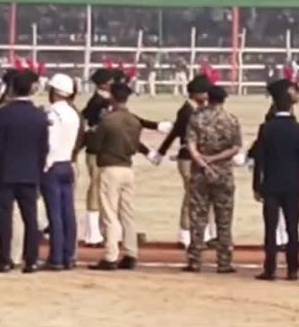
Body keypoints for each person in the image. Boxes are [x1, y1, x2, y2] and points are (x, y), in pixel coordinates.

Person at [0, 71, 48, 273]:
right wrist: (39, 174)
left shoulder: (2, 114)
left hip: (4, 172)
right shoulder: (39, 115)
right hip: (30, 172)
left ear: (11, 88)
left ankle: (5, 258)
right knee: (30, 218)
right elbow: (43, 148)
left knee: (4, 217)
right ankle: (31, 259)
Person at [251, 81, 299, 281]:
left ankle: (270, 268)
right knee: (292, 228)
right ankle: (293, 269)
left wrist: (256, 185)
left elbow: (260, 159)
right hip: (293, 184)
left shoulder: (266, 129)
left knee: (271, 228)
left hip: (272, 184)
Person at [183, 85, 242, 274]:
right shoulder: (231, 120)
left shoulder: (196, 117)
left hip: (200, 173)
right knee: (224, 219)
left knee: (198, 217)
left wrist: (203, 162)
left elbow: (190, 145)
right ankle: (224, 262)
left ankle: (195, 260)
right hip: (223, 173)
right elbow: (235, 147)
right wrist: (215, 160)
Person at [88, 82, 143, 271]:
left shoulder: (108, 120)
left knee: (109, 213)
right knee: (127, 213)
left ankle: (111, 255)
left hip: (110, 167)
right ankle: (130, 252)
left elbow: (95, 145)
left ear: (112, 97)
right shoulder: (134, 121)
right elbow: (135, 146)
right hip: (127, 167)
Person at [153, 75, 210, 248]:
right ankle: (185, 234)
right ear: (196, 93)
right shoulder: (186, 111)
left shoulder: (197, 109)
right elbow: (176, 133)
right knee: (191, 195)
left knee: (200, 196)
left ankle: (201, 233)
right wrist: (161, 151)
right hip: (187, 157)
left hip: (196, 156)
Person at [41, 73, 83, 271]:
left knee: (55, 214)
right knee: (68, 213)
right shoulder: (73, 113)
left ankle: (56, 256)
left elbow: (51, 142)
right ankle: (69, 255)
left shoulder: (53, 114)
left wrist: (45, 164)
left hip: (54, 165)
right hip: (67, 162)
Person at [79, 68, 114, 246]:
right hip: (96, 149)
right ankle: (93, 232)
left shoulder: (102, 100)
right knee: (96, 187)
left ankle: (98, 229)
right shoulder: (98, 102)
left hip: (102, 148)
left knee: (101, 189)